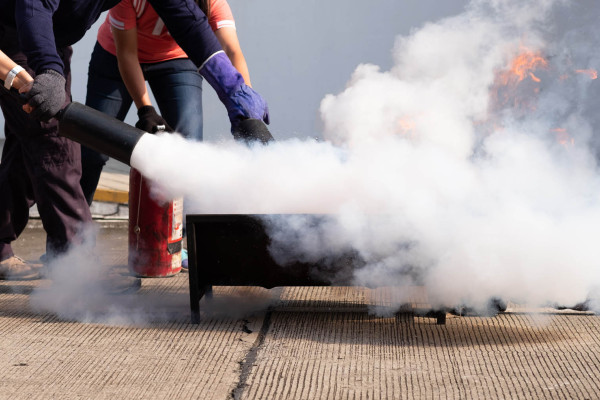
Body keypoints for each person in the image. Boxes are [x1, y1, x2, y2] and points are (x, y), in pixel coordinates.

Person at [0, 0, 269, 281]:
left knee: (26, 148)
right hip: (17, 35)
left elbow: (189, 22)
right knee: (56, 145)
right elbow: (34, 5)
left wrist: (233, 89)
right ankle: (78, 271)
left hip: (47, 40)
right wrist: (49, 68)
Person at [80, 0, 256, 204]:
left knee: (188, 147)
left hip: (176, 59)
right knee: (93, 145)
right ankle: (73, 230)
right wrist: (145, 109)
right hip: (115, 56)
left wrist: (248, 109)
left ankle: (180, 230)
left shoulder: (212, 2)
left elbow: (232, 51)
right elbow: (127, 54)